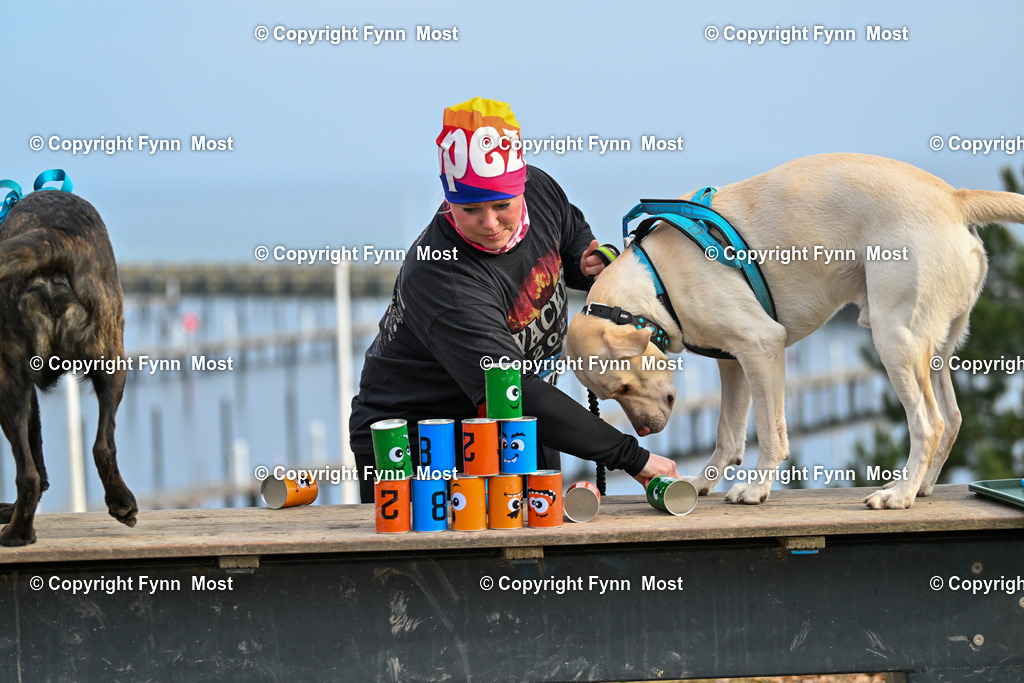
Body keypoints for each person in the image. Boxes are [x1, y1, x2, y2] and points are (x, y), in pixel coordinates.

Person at [349, 97, 678, 503]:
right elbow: (512, 390)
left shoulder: (539, 190)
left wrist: (584, 263)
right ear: (448, 200)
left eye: (502, 205)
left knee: (541, 544)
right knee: (452, 560)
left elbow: (570, 230)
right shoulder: (442, 277)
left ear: (520, 186)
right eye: (470, 210)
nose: (490, 224)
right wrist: (633, 458)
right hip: (420, 441)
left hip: (515, 422)